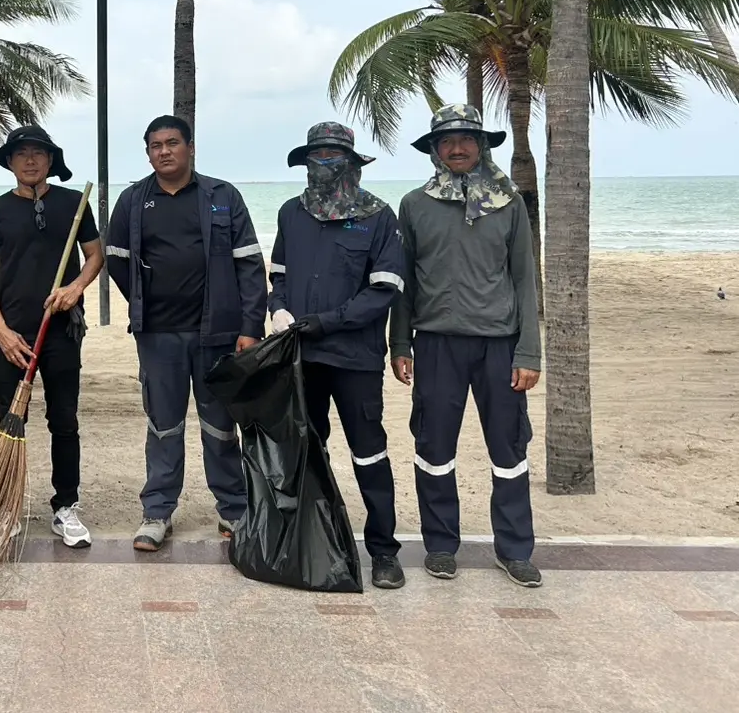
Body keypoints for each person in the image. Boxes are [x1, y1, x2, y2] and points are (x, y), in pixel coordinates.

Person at [390, 104, 543, 589]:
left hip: (499, 346)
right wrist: (399, 342)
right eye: (446, 141)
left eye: (466, 140)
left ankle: (514, 550)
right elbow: (404, 283)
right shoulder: (415, 204)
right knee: (433, 447)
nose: (456, 148)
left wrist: (529, 353)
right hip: (435, 345)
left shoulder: (510, 203)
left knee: (510, 449)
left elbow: (524, 280)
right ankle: (440, 545)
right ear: (434, 150)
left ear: (482, 146)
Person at [106, 115, 267, 552]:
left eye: (172, 142)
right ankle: (157, 512)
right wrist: (144, 300)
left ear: (190, 147)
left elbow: (250, 263)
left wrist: (250, 327)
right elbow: (116, 259)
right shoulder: (134, 201)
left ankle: (233, 509)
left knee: (220, 425)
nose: (164, 151)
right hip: (158, 336)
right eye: (155, 145)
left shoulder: (222, 196)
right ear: (148, 153)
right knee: (163, 425)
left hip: (218, 335)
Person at [268, 122, 406, 590]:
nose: (323, 165)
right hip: (301, 357)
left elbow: (384, 290)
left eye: (333, 156)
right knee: (308, 451)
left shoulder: (378, 217)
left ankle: (384, 552)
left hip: (356, 358)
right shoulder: (292, 214)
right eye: (316, 157)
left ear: (351, 162)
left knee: (369, 453)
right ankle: (314, 541)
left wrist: (328, 321)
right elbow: (278, 276)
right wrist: (279, 308)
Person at [0, 125, 104, 548]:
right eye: (21, 154)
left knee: (64, 420)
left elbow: (95, 256)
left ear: (51, 160)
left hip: (62, 330)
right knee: (10, 422)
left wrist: (75, 288)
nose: (30, 160)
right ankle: (7, 509)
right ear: (9, 162)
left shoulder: (74, 202)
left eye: (39, 153)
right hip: (13, 333)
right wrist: (0, 329)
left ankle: (65, 506)